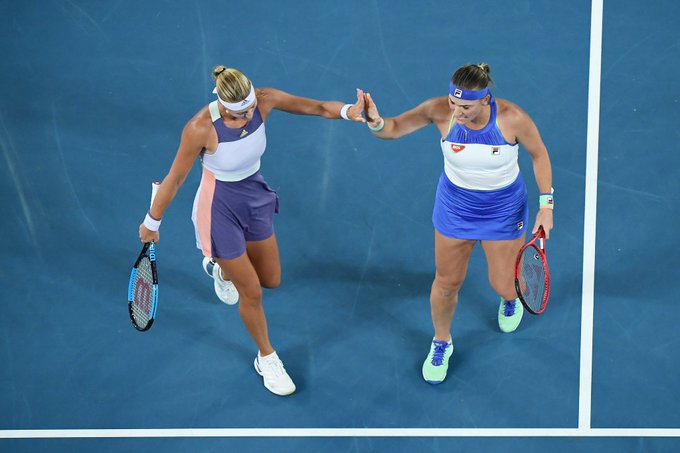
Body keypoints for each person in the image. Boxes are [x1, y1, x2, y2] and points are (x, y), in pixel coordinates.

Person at [138, 65, 366, 396]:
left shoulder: (263, 100)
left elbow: (316, 107)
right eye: (237, 115)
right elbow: (174, 179)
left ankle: (223, 270)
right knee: (253, 292)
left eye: (248, 111)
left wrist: (350, 111)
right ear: (222, 105)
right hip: (218, 208)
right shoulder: (199, 128)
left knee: (271, 279)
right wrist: (151, 222)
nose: (247, 118)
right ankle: (267, 357)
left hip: (254, 196)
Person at [362, 63, 553, 385]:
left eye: (465, 106)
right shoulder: (439, 111)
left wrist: (546, 205)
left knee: (505, 285)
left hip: (503, 211)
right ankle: (441, 342)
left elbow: (540, 156)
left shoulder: (512, 118)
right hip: (456, 210)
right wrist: (375, 121)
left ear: (485, 100)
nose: (456, 112)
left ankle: (509, 300)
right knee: (447, 283)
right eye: (454, 103)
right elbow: (392, 129)